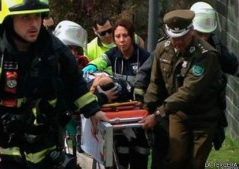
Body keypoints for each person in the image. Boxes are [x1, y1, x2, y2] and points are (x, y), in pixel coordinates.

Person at [0, 0, 107, 169]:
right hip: (3, 153)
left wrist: (93, 110)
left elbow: (74, 81)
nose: (34, 24)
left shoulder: (53, 48)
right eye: (26, 17)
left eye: (37, 16)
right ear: (9, 19)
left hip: (47, 150)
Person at [141, 9, 225, 169]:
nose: (177, 42)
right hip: (178, 115)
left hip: (203, 118)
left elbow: (188, 92)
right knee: (175, 159)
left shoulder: (206, 55)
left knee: (196, 163)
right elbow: (155, 82)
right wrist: (147, 108)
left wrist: (158, 113)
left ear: (191, 32)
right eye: (174, 38)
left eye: (181, 38)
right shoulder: (162, 49)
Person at [83, 18, 151, 169]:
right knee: (117, 156)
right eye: (118, 37)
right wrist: (92, 75)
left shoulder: (145, 58)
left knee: (139, 156)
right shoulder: (112, 54)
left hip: (137, 114)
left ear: (132, 37)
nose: (121, 40)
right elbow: (95, 64)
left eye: (125, 36)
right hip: (116, 114)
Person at [190, 2, 239, 150]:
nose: (204, 38)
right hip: (182, 112)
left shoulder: (216, 46)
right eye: (199, 34)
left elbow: (234, 66)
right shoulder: (176, 45)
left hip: (207, 115)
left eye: (207, 34)